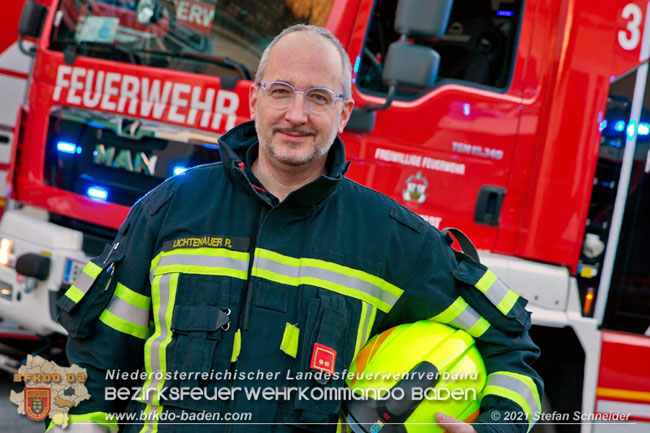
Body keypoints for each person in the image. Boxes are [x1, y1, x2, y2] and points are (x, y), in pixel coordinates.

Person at [53, 24, 542, 433]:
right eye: (281, 91)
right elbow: (89, 359)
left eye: (319, 98)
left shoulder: (394, 238)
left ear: (344, 114)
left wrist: (493, 428)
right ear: (254, 100)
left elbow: (512, 348)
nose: (296, 115)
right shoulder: (171, 209)